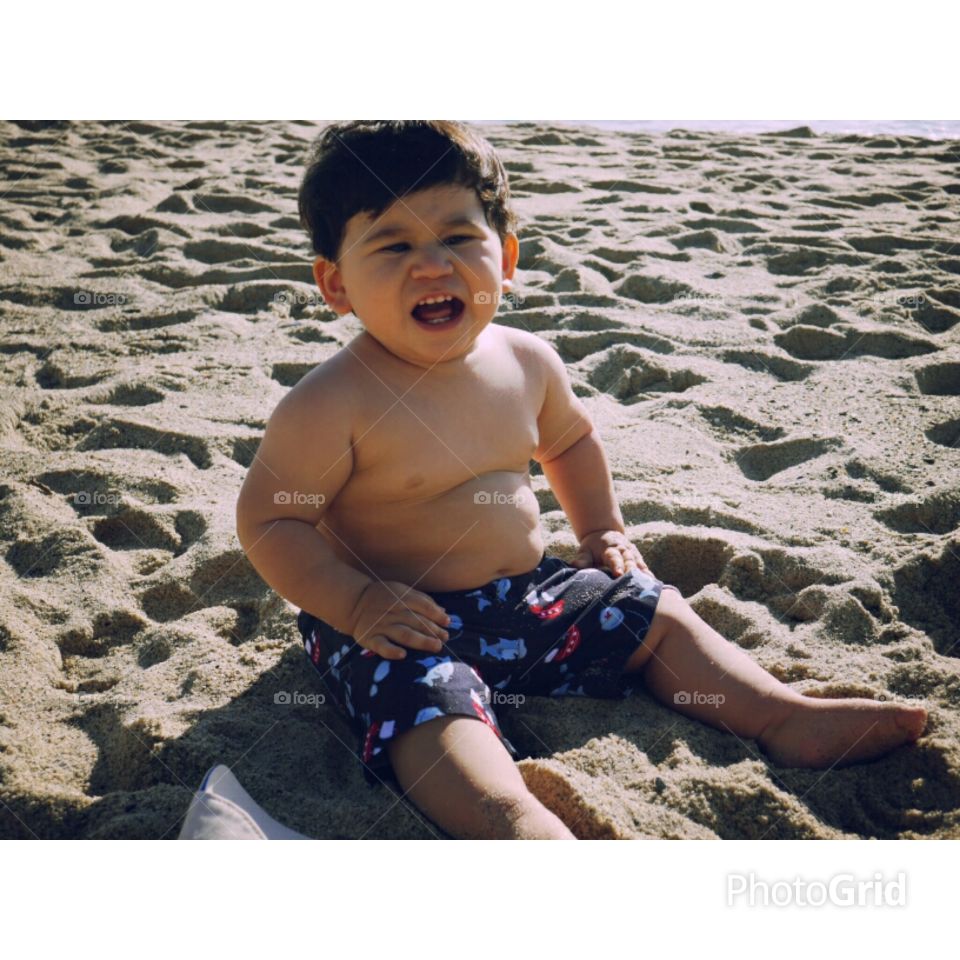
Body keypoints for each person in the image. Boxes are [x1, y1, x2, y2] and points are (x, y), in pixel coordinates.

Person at [235, 121, 927, 840]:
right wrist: (355, 603)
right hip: (400, 619)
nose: (434, 266)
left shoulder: (527, 362)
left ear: (505, 257)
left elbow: (570, 443)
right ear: (334, 283)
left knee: (651, 611)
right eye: (395, 246)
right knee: (426, 703)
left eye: (457, 239)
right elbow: (270, 522)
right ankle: (508, 814)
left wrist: (599, 530)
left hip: (527, 597)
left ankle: (778, 714)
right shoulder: (331, 402)